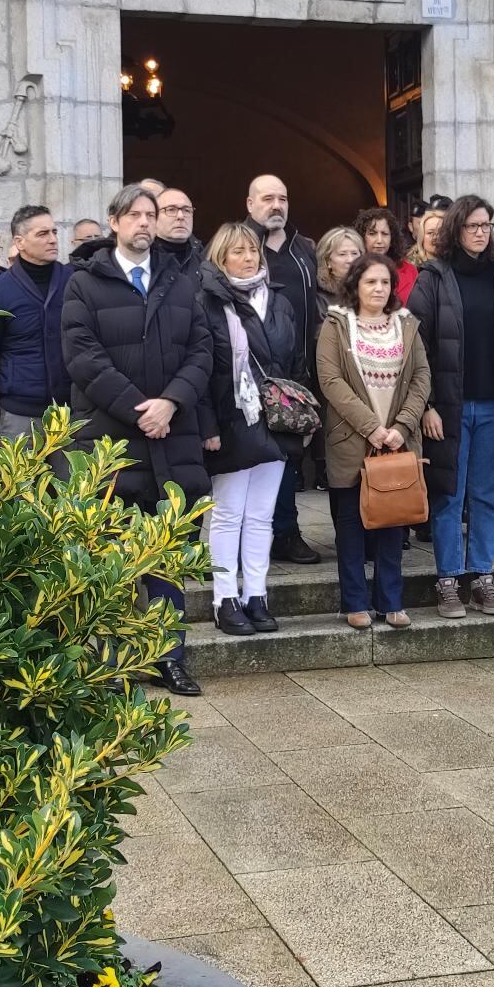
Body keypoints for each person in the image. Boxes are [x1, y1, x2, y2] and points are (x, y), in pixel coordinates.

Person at [62, 184, 213, 696]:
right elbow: (83, 357)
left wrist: (170, 402)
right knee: (116, 557)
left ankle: (169, 656)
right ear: (115, 222)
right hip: (113, 441)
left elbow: (202, 349)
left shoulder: (180, 280)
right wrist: (138, 409)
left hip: (174, 438)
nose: (146, 223)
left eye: (152, 215)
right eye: (136, 215)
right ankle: (117, 662)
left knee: (169, 554)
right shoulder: (85, 284)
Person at [408, 195, 494, 618]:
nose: (480, 233)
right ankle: (448, 579)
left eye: (485, 225)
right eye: (472, 226)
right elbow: (416, 347)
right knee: (448, 493)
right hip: (448, 406)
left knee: (486, 495)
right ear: (455, 230)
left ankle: (482, 576)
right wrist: (424, 404)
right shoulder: (433, 278)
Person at [196, 223, 307, 637]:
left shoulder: (278, 300)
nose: (248, 258)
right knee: (228, 514)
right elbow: (203, 368)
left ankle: (256, 595)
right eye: (238, 252)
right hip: (232, 418)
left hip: (274, 419)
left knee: (261, 515)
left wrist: (296, 410)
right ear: (221, 257)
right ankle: (225, 598)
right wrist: (207, 425)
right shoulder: (208, 301)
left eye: (253, 251)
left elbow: (295, 359)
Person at [319, 251, 431, 630]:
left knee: (393, 522)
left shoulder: (406, 324)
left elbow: (421, 379)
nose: (379, 288)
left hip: (398, 440)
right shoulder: (336, 325)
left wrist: (401, 426)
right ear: (355, 285)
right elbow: (331, 381)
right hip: (352, 439)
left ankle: (391, 602)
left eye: (385, 282)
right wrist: (371, 427)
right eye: (371, 281)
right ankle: (355, 602)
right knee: (350, 525)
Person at [243, 174, 323, 566]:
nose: (277, 205)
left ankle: (287, 533)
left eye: (283, 198)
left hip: (298, 371)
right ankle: (252, 536)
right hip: (252, 372)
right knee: (252, 459)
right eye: (268, 198)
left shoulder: (303, 248)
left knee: (289, 457)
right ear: (250, 203)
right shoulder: (241, 245)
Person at [0, 206, 72, 441]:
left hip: (70, 408)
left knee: (72, 477)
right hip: (20, 411)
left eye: (54, 232)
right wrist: (8, 386)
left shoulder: (73, 281)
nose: (52, 240)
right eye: (42, 234)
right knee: (21, 478)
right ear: (20, 242)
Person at [354, 207, 419, 304]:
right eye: (372, 234)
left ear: (392, 238)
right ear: (362, 237)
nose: (379, 240)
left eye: (385, 234)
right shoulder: (353, 270)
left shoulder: (410, 270)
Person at [151, 187, 204, 275]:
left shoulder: (205, 258)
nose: (180, 216)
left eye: (186, 210)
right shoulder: (143, 258)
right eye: (171, 210)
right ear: (154, 216)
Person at [317, 227, 365, 308]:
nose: (350, 260)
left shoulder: (369, 288)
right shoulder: (319, 298)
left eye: (354, 253)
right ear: (327, 260)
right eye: (342, 254)